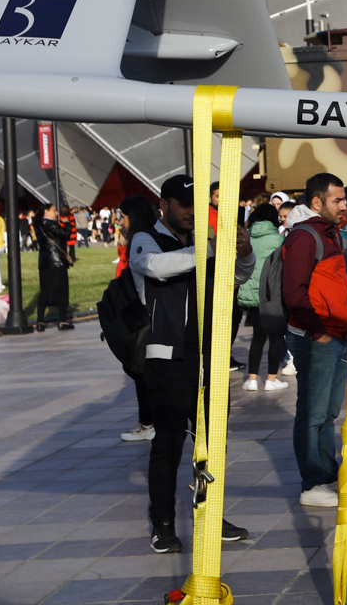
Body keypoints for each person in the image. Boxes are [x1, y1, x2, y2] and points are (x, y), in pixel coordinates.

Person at [130, 175, 253, 551]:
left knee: (213, 444)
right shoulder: (146, 239)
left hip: (209, 356)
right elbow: (156, 267)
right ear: (162, 204)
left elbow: (237, 277)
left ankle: (210, 513)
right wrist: (210, 249)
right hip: (168, 358)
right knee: (168, 445)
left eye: (195, 205)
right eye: (183, 204)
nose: (190, 212)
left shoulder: (202, 241)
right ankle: (163, 524)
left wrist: (243, 252)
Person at [283, 173, 347, 508]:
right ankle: (313, 483)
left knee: (327, 412)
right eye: (337, 200)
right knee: (313, 413)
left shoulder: (330, 232)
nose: (344, 205)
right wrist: (319, 332)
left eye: (344, 200)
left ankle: (327, 475)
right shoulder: (304, 237)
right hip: (318, 337)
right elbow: (294, 294)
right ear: (316, 202)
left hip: (334, 334)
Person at [116, 195, 158, 442]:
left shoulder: (141, 240)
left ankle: (148, 422)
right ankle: (150, 421)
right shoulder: (150, 235)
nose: (121, 222)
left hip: (144, 314)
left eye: (123, 216)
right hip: (149, 312)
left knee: (141, 370)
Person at [240, 202, 287, 391]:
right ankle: (271, 379)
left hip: (251, 294)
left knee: (257, 337)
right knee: (276, 336)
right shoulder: (278, 239)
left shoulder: (247, 237)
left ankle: (252, 380)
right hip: (272, 293)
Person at [34, 204, 74, 331]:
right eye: (54, 210)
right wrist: (67, 224)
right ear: (46, 211)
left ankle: (40, 321)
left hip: (44, 261)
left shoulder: (39, 224)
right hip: (56, 261)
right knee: (62, 290)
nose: (57, 213)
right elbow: (65, 234)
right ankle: (62, 320)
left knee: (45, 291)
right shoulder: (49, 223)